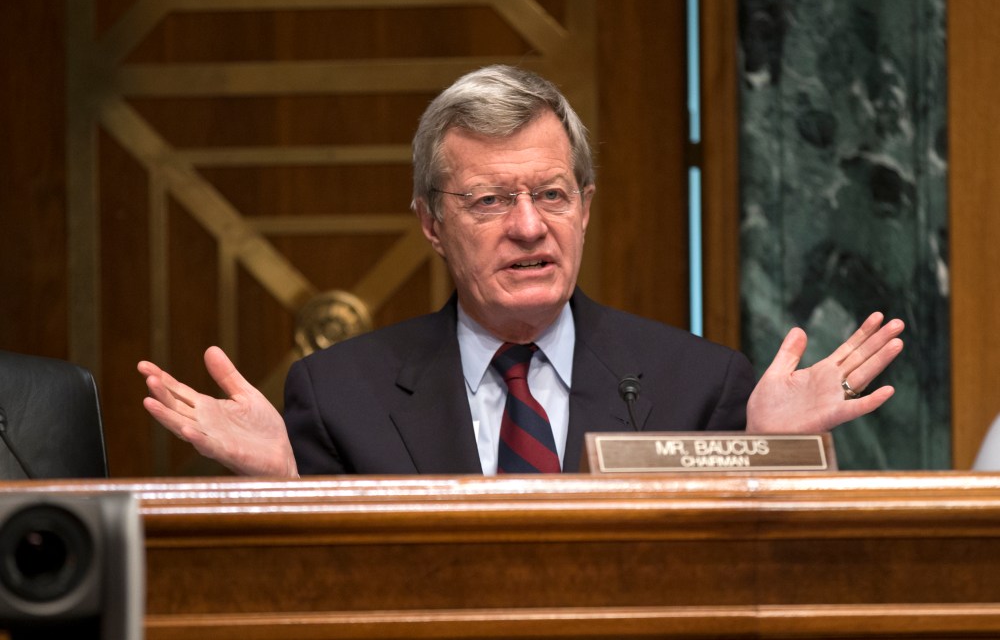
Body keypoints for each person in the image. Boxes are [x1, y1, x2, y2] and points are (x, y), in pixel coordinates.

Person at [138, 65, 904, 477]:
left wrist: (768, 453)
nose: (530, 226)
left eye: (552, 195)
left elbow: (740, 589)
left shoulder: (699, 386)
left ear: (586, 207)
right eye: (490, 200)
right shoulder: (341, 397)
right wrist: (283, 487)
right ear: (432, 224)